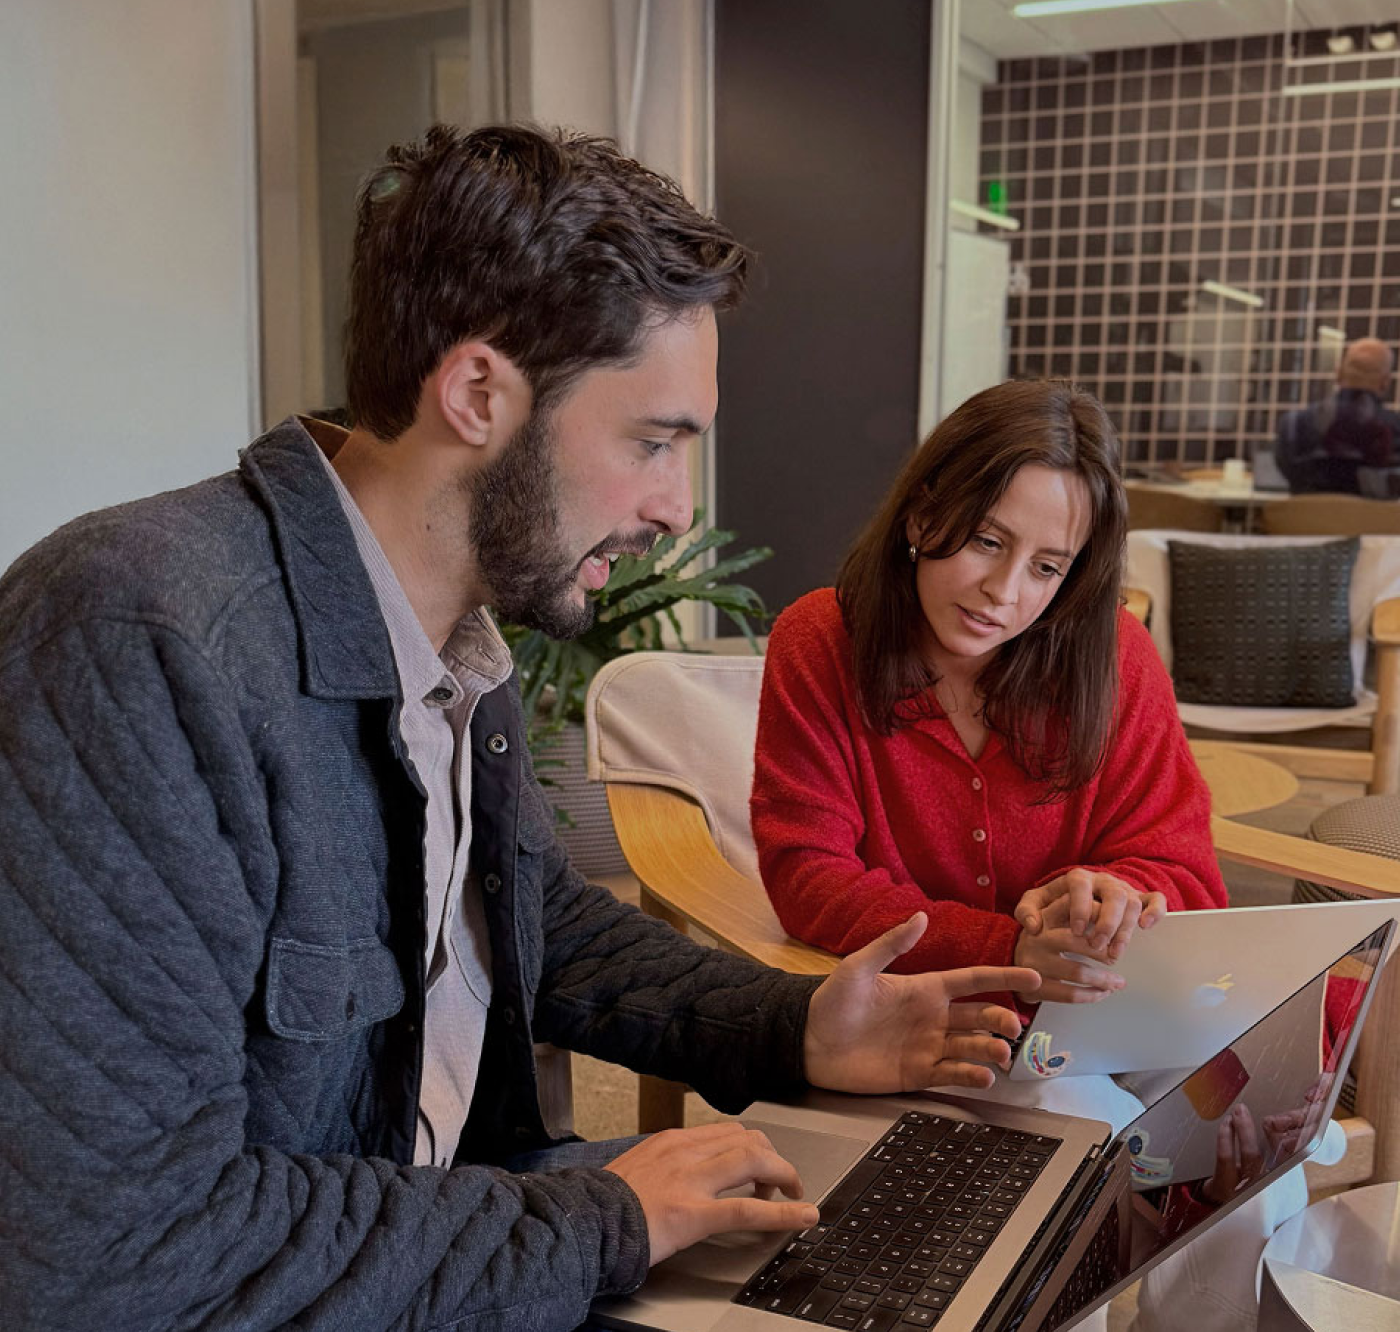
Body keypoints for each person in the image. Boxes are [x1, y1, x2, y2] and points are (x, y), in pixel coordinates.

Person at [0, 125, 1039, 1331]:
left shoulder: (452, 630)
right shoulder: (133, 643)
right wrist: (599, 1220)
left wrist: (792, 1025)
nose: (671, 507)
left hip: (452, 1257)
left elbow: (530, 919)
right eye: (652, 443)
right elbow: (107, 1255)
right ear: (480, 392)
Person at [748, 379, 1318, 1332]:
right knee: (1081, 1142)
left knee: (1261, 1159)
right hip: (953, 1029)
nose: (1005, 593)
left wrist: (1118, 895)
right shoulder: (821, 640)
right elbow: (809, 872)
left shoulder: (1114, 654)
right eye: (986, 541)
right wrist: (1012, 947)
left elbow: (1180, 865)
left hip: (1121, 1012)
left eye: (1048, 566)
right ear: (924, 510)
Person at [1275, 336, 1400, 495]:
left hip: (1307, 518)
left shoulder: (1292, 426)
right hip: (1375, 520)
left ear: (1338, 374)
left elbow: (1288, 471)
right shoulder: (1394, 429)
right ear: (1385, 382)